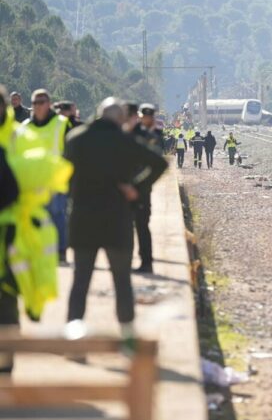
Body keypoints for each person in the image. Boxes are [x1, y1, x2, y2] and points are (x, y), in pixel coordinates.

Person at [64, 97, 167, 339]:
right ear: (121, 120)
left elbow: (65, 172)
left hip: (83, 219)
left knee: (80, 281)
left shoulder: (76, 138)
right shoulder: (125, 141)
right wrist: (136, 188)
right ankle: (127, 337)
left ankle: (74, 335)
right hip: (117, 219)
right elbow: (159, 163)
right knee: (122, 281)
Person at [0, 85, 72, 373]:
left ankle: (5, 373)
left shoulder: (21, 137)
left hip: (13, 237)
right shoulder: (24, 132)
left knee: (7, 304)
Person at [20, 89, 72, 264]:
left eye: (41, 102)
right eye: (35, 103)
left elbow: (71, 151)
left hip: (56, 181)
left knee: (57, 215)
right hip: (33, 182)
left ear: (49, 104)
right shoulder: (25, 127)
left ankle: (60, 251)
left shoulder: (61, 123)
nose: (38, 106)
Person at [131, 104, 163, 274]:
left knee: (142, 224)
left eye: (150, 116)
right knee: (127, 226)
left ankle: (146, 261)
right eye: (145, 116)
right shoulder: (133, 132)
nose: (147, 119)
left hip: (143, 187)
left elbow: (158, 159)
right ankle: (128, 259)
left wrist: (142, 184)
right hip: (130, 183)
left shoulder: (155, 134)